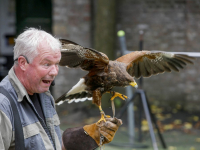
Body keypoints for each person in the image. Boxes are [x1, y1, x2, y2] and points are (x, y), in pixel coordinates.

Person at [0, 28, 122, 150]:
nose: (54, 72)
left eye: (56, 64)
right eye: (46, 64)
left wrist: (92, 135)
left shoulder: (44, 95)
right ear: (22, 63)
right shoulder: (3, 105)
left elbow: (54, 142)